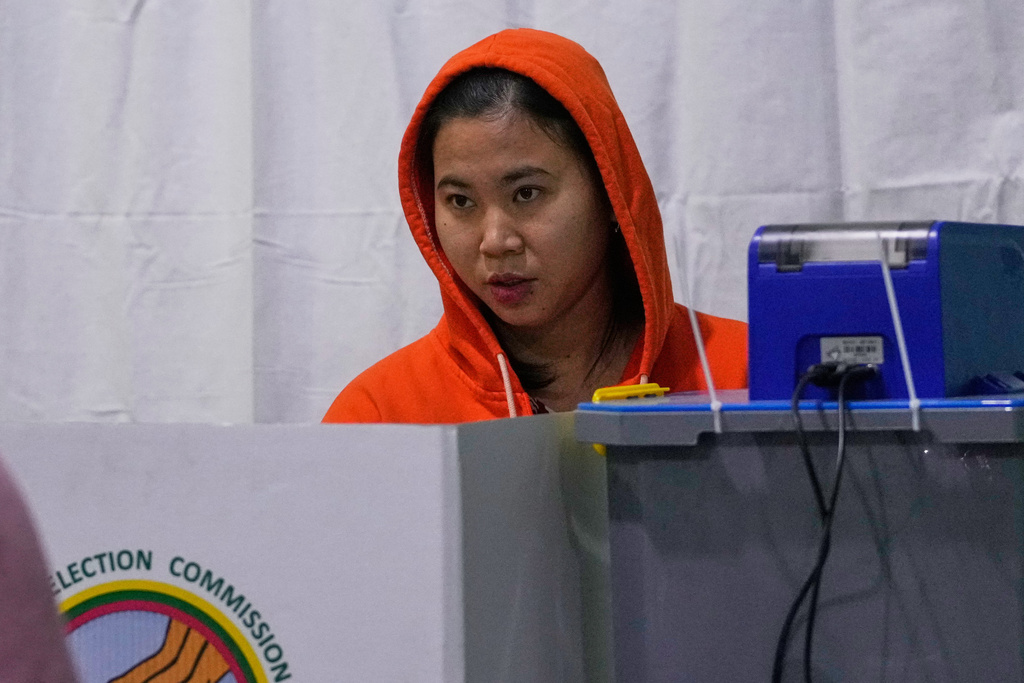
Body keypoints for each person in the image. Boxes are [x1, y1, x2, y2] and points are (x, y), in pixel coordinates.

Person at [323, 28, 747, 423]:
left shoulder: (751, 375)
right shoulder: (380, 414)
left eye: (526, 194)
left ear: (611, 192)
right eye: (460, 201)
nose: (495, 242)